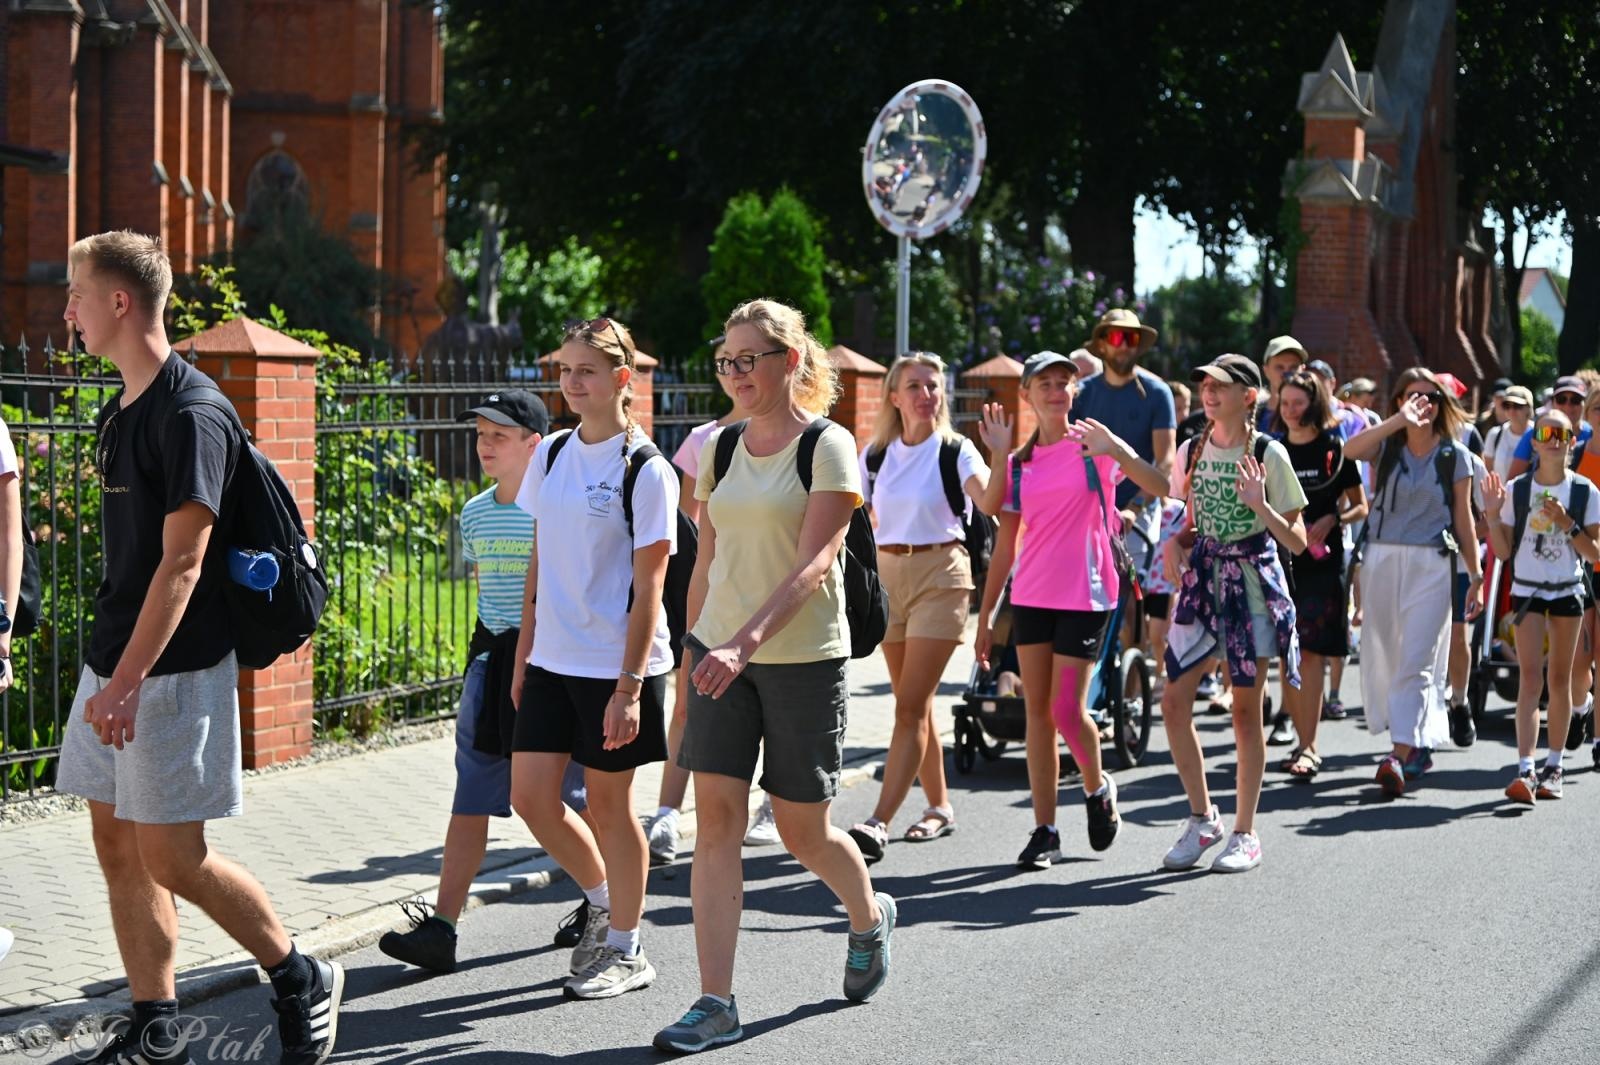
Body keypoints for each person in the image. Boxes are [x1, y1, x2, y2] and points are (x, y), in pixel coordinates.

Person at [54, 231, 343, 1064]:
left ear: (119, 302)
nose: (67, 309)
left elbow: (185, 562)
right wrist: (107, 675)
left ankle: (298, 973)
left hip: (170, 671)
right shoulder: (122, 408)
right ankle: (156, 1024)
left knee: (173, 855)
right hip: (114, 660)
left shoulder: (192, 412)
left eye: (78, 293)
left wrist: (129, 681)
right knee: (115, 841)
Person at [655, 299, 894, 1053]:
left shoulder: (828, 446)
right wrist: (694, 648)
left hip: (800, 660)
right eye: (725, 361)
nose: (734, 374)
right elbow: (706, 561)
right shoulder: (719, 448)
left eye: (747, 360)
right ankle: (714, 1000)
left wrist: (744, 641)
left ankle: (868, 916)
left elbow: (816, 561)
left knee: (802, 830)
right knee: (717, 824)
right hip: (718, 658)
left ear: (789, 362)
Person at [508, 316, 676, 1000]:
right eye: (564, 370)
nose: (571, 382)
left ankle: (628, 948)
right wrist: (524, 651)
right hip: (552, 658)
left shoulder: (645, 468)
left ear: (621, 379)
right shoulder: (549, 453)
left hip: (618, 666)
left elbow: (652, 585)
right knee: (530, 798)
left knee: (611, 806)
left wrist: (630, 686)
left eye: (585, 371)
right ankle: (606, 900)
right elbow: (540, 557)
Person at [379, 390, 560, 973]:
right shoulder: (476, 512)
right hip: (491, 665)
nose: (485, 445)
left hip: (553, 667)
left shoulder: (556, 509)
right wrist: (483, 667)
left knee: (568, 802)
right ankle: (443, 928)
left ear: (536, 444)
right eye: (481, 434)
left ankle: (604, 907)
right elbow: (488, 596)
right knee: (470, 797)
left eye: (499, 435)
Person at [972, 352, 1159, 869]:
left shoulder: (1092, 447)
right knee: (1036, 714)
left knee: (1064, 710)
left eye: (1064, 383)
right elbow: (1003, 542)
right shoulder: (1018, 463)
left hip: (1087, 593)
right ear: (1028, 394)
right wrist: (986, 617)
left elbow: (1164, 486)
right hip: (1031, 594)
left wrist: (1116, 446)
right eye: (1045, 384)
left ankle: (1098, 788)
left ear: (1074, 394)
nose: (1056, 391)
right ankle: (1045, 830)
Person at [1156, 354, 1307, 873]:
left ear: (1249, 396)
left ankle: (1245, 832)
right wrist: (1177, 541)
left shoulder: (1269, 453)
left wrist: (1260, 503)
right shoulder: (1192, 447)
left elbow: (1298, 539)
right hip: (1203, 581)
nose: (1209, 391)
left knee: (1246, 713)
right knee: (1174, 700)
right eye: (1204, 382)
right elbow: (1190, 521)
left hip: (1250, 585)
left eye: (1222, 384)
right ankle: (1202, 820)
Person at [848, 352, 988, 861]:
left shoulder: (958, 450)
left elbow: (991, 503)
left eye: (933, 385)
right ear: (894, 396)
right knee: (917, 705)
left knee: (908, 706)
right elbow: (851, 519)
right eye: (915, 386)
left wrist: (1000, 457)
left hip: (941, 576)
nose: (926, 394)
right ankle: (940, 806)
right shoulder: (875, 456)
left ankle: (877, 821)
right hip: (888, 579)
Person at [1343, 369, 1483, 796]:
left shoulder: (1454, 456)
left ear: (1443, 406)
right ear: (1400, 400)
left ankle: (1398, 753)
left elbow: (1464, 519)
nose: (1423, 404)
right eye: (1413, 397)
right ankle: (1416, 738)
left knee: (1418, 660)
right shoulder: (1385, 443)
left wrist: (1475, 576)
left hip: (1433, 564)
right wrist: (1398, 421)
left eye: (1430, 398)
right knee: (1384, 652)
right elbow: (1350, 450)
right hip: (1382, 558)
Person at [1483, 411, 1600, 803]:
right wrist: (1491, 513)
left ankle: (1555, 766)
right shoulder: (1517, 490)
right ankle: (1526, 768)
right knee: (1529, 679)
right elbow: (1502, 551)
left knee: (1560, 681)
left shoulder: (1584, 492)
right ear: (1533, 442)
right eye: (1544, 433)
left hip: (1567, 591)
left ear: (1571, 441)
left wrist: (1567, 523)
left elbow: (1594, 552)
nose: (1552, 439)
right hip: (1527, 592)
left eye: (1561, 433)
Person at [1272, 373, 1367, 778]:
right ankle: (1299, 739)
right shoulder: (1271, 450)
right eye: (1285, 403)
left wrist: (1333, 518)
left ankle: (1309, 746)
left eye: (1298, 403)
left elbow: (1360, 506)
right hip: (1279, 562)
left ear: (1313, 404)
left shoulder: (1334, 448)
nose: (1290, 411)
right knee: (1285, 656)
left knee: (1309, 654)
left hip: (1323, 563)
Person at [1507, 376, 1593, 480]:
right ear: (1552, 403)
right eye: (1561, 399)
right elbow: (1513, 481)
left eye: (1575, 400)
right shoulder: (1534, 433)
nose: (1568, 405)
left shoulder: (1593, 434)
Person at [1255, 336, 1308, 433]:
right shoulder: (1252, 416)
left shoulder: (1316, 414)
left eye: (1293, 367)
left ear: (1303, 370)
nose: (1287, 373)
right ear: (1266, 371)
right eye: (1279, 367)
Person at [1484, 385, 1534, 481]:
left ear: (1529, 408)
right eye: (1507, 405)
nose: (1511, 410)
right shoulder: (1494, 435)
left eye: (1517, 406)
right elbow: (1488, 472)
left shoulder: (1538, 434)